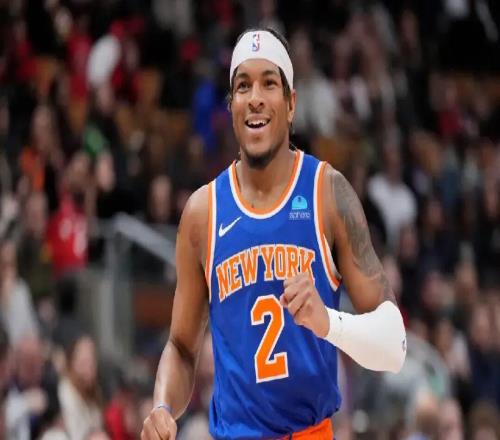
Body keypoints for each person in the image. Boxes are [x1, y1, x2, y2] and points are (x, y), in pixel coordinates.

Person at [141, 28, 406, 440]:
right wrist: (161, 406)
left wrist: (328, 322)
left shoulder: (327, 193)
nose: (255, 98)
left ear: (291, 103)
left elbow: (394, 346)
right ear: (231, 106)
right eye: (242, 86)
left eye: (269, 83)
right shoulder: (202, 213)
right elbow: (181, 348)